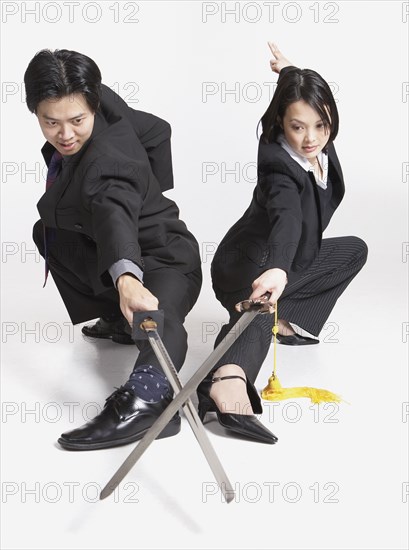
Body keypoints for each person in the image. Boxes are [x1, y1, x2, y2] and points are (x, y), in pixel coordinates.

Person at [24, 49, 202, 450]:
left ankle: (148, 400)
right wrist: (148, 189)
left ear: (93, 106)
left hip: (166, 258)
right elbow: (157, 130)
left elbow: (113, 209)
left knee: (157, 317)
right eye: (51, 122)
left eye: (77, 122)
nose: (65, 134)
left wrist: (126, 276)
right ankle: (119, 323)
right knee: (50, 232)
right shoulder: (99, 97)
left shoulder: (108, 166)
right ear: (35, 109)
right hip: (122, 237)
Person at [197, 44, 368, 443]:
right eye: (298, 127)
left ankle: (284, 318)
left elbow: (309, 113)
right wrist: (276, 268)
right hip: (248, 264)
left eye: (321, 125)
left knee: (353, 250)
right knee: (258, 314)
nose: (310, 138)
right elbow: (287, 218)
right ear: (280, 123)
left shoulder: (317, 140)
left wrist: (291, 72)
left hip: (289, 260)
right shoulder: (278, 166)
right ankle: (227, 382)